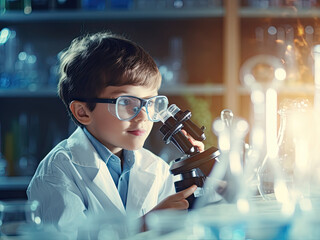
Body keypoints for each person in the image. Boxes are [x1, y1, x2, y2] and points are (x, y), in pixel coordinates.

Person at [26, 32, 203, 237]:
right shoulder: (58, 172)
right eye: (126, 102)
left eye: (150, 102)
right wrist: (143, 225)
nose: (143, 116)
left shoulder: (157, 169)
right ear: (83, 112)